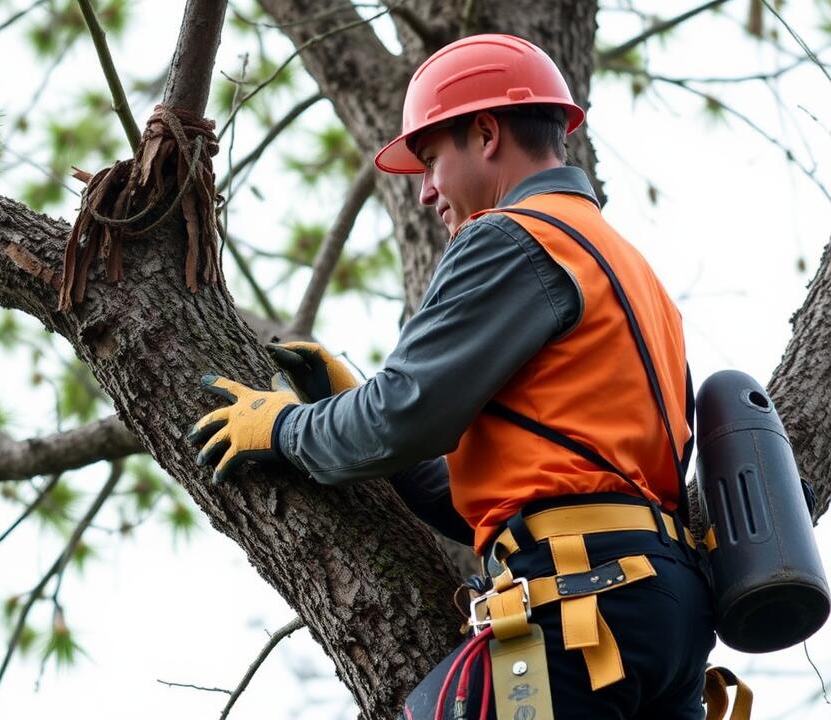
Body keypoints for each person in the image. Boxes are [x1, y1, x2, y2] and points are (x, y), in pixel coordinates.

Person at [187, 34, 720, 719]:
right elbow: (515, 489)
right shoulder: (630, 270)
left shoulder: (511, 237)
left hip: (579, 602)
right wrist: (366, 419)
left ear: (487, 132)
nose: (424, 193)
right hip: (662, 610)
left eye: (431, 160)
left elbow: (403, 418)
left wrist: (287, 428)